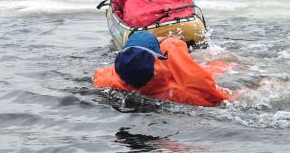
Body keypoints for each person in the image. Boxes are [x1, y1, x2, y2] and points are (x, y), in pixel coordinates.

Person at [93, 31, 232, 107]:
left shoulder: (104, 79)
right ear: (157, 60)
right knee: (223, 64)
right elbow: (219, 98)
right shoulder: (182, 94)